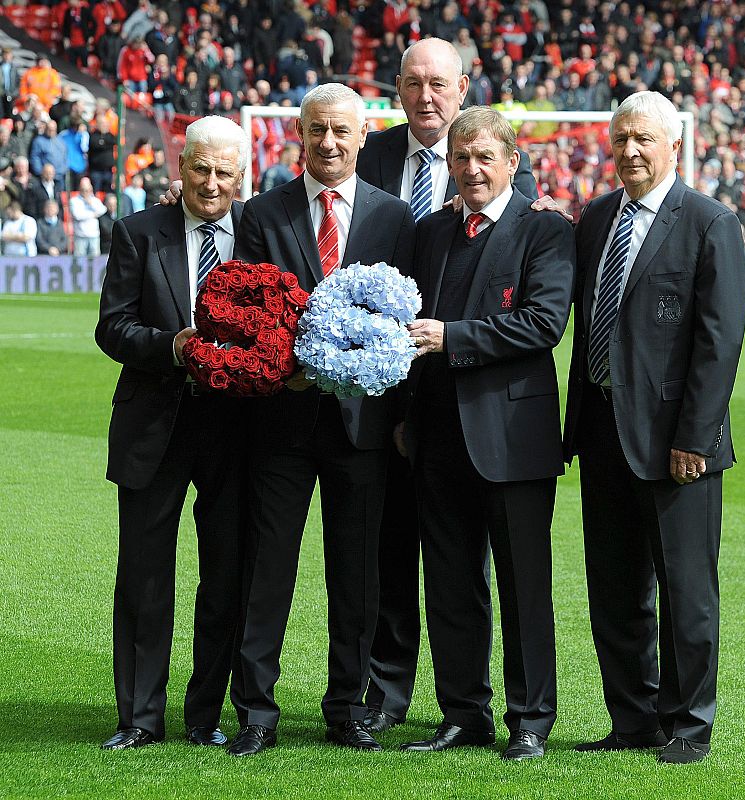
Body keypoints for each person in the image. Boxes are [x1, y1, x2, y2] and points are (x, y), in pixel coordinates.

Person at [355, 36, 539, 737]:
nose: (426, 97)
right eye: (412, 83)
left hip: (476, 405)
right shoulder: (366, 154)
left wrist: (452, 342)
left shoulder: (510, 180)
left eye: (439, 84)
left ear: (464, 89)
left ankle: (499, 710)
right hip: (385, 397)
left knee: (471, 566)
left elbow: (531, 289)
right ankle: (387, 691)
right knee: (391, 551)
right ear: (397, 89)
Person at [225, 83, 415, 757]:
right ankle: (256, 711)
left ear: (364, 137)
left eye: (341, 131)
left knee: (357, 575)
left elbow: (403, 327)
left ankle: (347, 708)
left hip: (364, 428)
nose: (328, 142)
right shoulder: (261, 214)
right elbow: (244, 308)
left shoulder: (397, 219)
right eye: (317, 131)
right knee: (266, 569)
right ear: (298, 137)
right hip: (279, 421)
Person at [562, 91, 745, 765]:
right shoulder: (595, 221)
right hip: (603, 430)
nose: (631, 152)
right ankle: (632, 720)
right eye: (621, 141)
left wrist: (694, 439)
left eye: (644, 139)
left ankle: (689, 726)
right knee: (615, 589)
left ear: (674, 144)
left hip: (678, 445)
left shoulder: (709, 222)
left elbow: (718, 343)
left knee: (686, 591)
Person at [396, 107, 574, 760]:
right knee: (448, 585)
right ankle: (463, 712)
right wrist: (405, 416)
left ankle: (530, 720)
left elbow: (543, 323)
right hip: (437, 436)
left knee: (525, 587)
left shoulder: (547, 233)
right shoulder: (431, 231)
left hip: (513, 439)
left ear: (511, 162)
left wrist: (453, 338)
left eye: (483, 158)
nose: (471, 169)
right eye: (460, 158)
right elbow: (409, 322)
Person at [95, 116, 248, 751]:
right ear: (177, 169)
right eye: (200, 169)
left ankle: (205, 716)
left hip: (237, 428)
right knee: (145, 574)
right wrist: (172, 347)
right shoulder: (137, 231)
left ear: (241, 178)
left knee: (228, 575)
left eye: (223, 173)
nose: (210, 183)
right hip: (154, 423)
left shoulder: (260, 234)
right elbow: (112, 328)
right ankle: (139, 717)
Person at [70, 178, 107, 256]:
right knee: (80, 262)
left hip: (94, 235)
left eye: (88, 190)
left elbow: (103, 210)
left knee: (95, 261)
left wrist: (91, 204)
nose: (86, 192)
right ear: (80, 189)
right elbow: (77, 216)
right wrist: (93, 214)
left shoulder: (95, 200)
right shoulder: (74, 201)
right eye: (84, 189)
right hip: (80, 236)